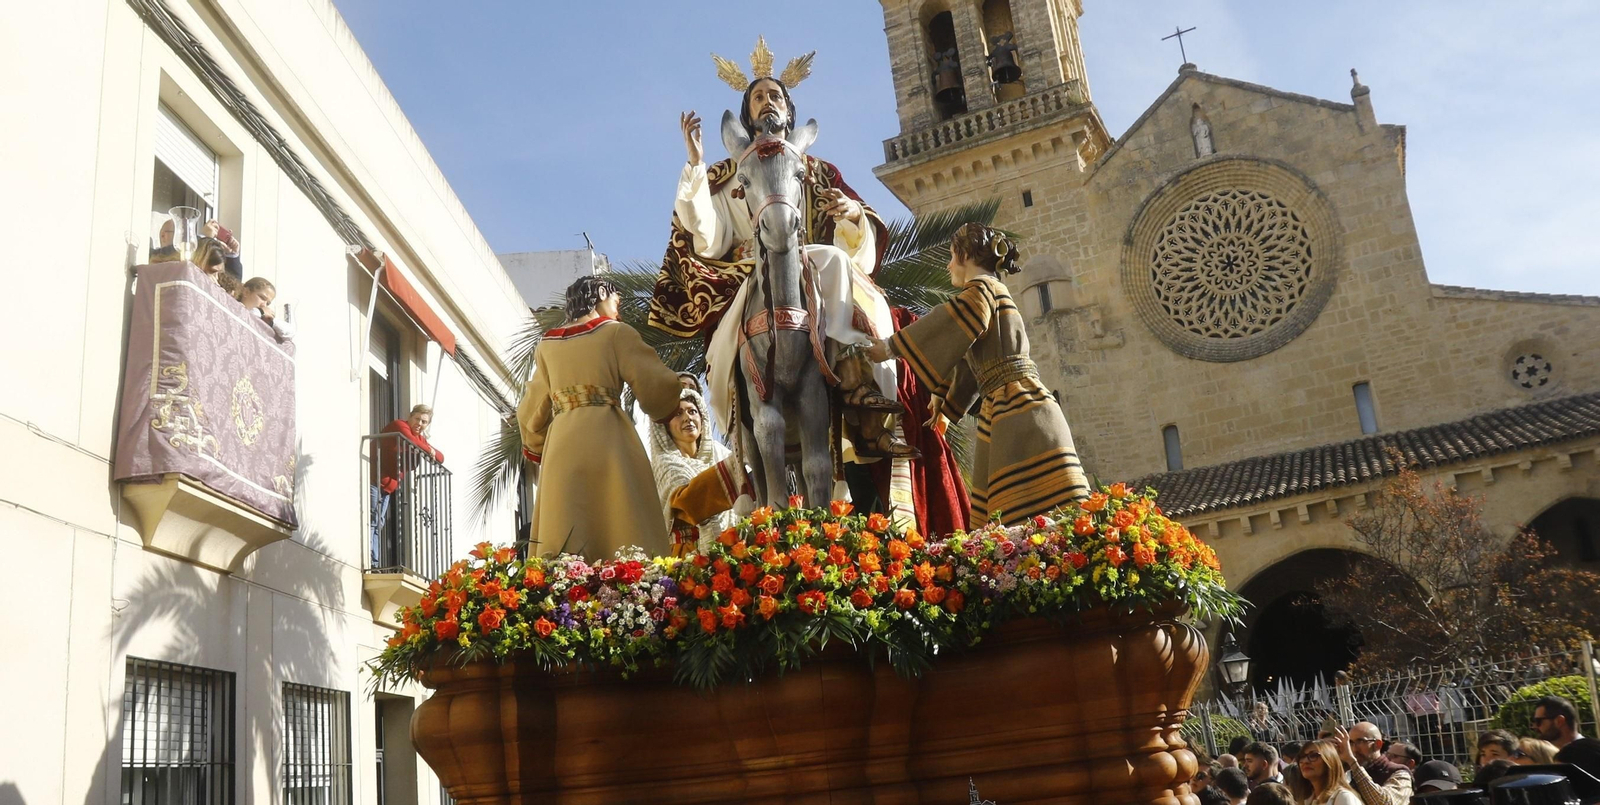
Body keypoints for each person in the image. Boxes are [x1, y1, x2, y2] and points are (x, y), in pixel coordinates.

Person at [651, 42, 914, 459]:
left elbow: (861, 234)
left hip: (809, 274)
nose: (767, 102)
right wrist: (695, 166)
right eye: (758, 97)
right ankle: (743, 414)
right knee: (813, 270)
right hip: (748, 275)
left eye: (774, 95)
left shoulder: (818, 171)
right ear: (746, 114)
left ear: (789, 110)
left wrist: (849, 215)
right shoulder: (726, 175)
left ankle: (852, 369)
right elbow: (708, 235)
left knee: (829, 258)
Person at [864, 223, 1090, 524]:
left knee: (1022, 514)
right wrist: (947, 404)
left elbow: (950, 322)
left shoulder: (981, 290)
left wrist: (891, 347)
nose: (948, 265)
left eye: (951, 256)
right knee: (1029, 517)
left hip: (1018, 410)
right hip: (1016, 405)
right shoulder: (994, 292)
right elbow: (972, 365)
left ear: (966, 255)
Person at [519, 276, 683, 558]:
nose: (619, 306)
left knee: (566, 525)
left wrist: (536, 442)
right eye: (616, 299)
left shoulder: (547, 345)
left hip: (562, 445)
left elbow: (531, 409)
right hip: (609, 438)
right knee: (622, 517)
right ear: (601, 294)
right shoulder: (616, 333)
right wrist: (672, 393)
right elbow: (655, 385)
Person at [650, 388, 738, 555]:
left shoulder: (720, 457)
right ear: (666, 428)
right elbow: (687, 502)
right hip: (687, 556)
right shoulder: (666, 463)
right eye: (678, 413)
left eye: (692, 411)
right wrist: (733, 472)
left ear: (702, 420)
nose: (687, 418)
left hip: (731, 549)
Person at [370, 404, 444, 567]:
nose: (419, 424)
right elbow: (409, 439)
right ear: (410, 416)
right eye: (417, 419)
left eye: (424, 422)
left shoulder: (421, 439)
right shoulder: (399, 425)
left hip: (387, 487)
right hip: (374, 479)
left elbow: (440, 457)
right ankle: (372, 562)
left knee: (379, 522)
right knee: (374, 520)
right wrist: (428, 450)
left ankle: (374, 561)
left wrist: (429, 450)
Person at [1329, 722, 1413, 805]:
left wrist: (1352, 762)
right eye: (1350, 743)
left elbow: (1384, 803)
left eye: (1360, 741)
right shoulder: (1348, 772)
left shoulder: (1400, 773)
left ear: (1377, 744)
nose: (1354, 749)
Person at [1291, 740, 1360, 805]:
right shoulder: (1306, 800)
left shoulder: (1343, 797)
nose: (1305, 761)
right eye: (1302, 757)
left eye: (1313, 756)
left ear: (1329, 760)